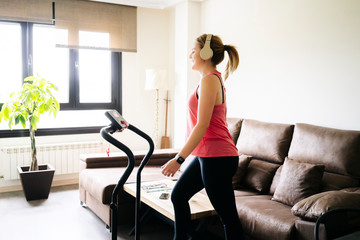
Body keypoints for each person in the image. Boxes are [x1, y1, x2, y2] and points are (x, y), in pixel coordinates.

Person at [161, 33, 243, 240]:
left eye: (194, 50)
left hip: (218, 158)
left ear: (205, 54)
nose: (190, 54)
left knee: (228, 218)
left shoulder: (210, 81)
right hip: (208, 155)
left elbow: (202, 125)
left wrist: (178, 159)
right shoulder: (208, 80)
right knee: (178, 196)